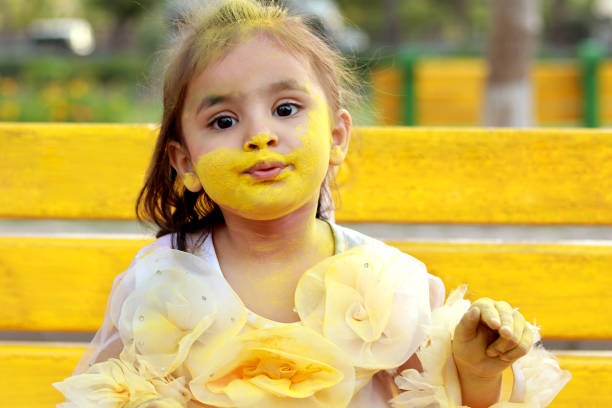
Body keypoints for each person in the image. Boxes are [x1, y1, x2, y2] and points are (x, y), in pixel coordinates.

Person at [53, 1, 570, 407]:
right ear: (184, 161)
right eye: (224, 121)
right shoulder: (162, 283)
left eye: (285, 109)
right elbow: (107, 393)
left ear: (337, 137)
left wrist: (475, 372)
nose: (259, 135)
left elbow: (439, 403)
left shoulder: (387, 286)